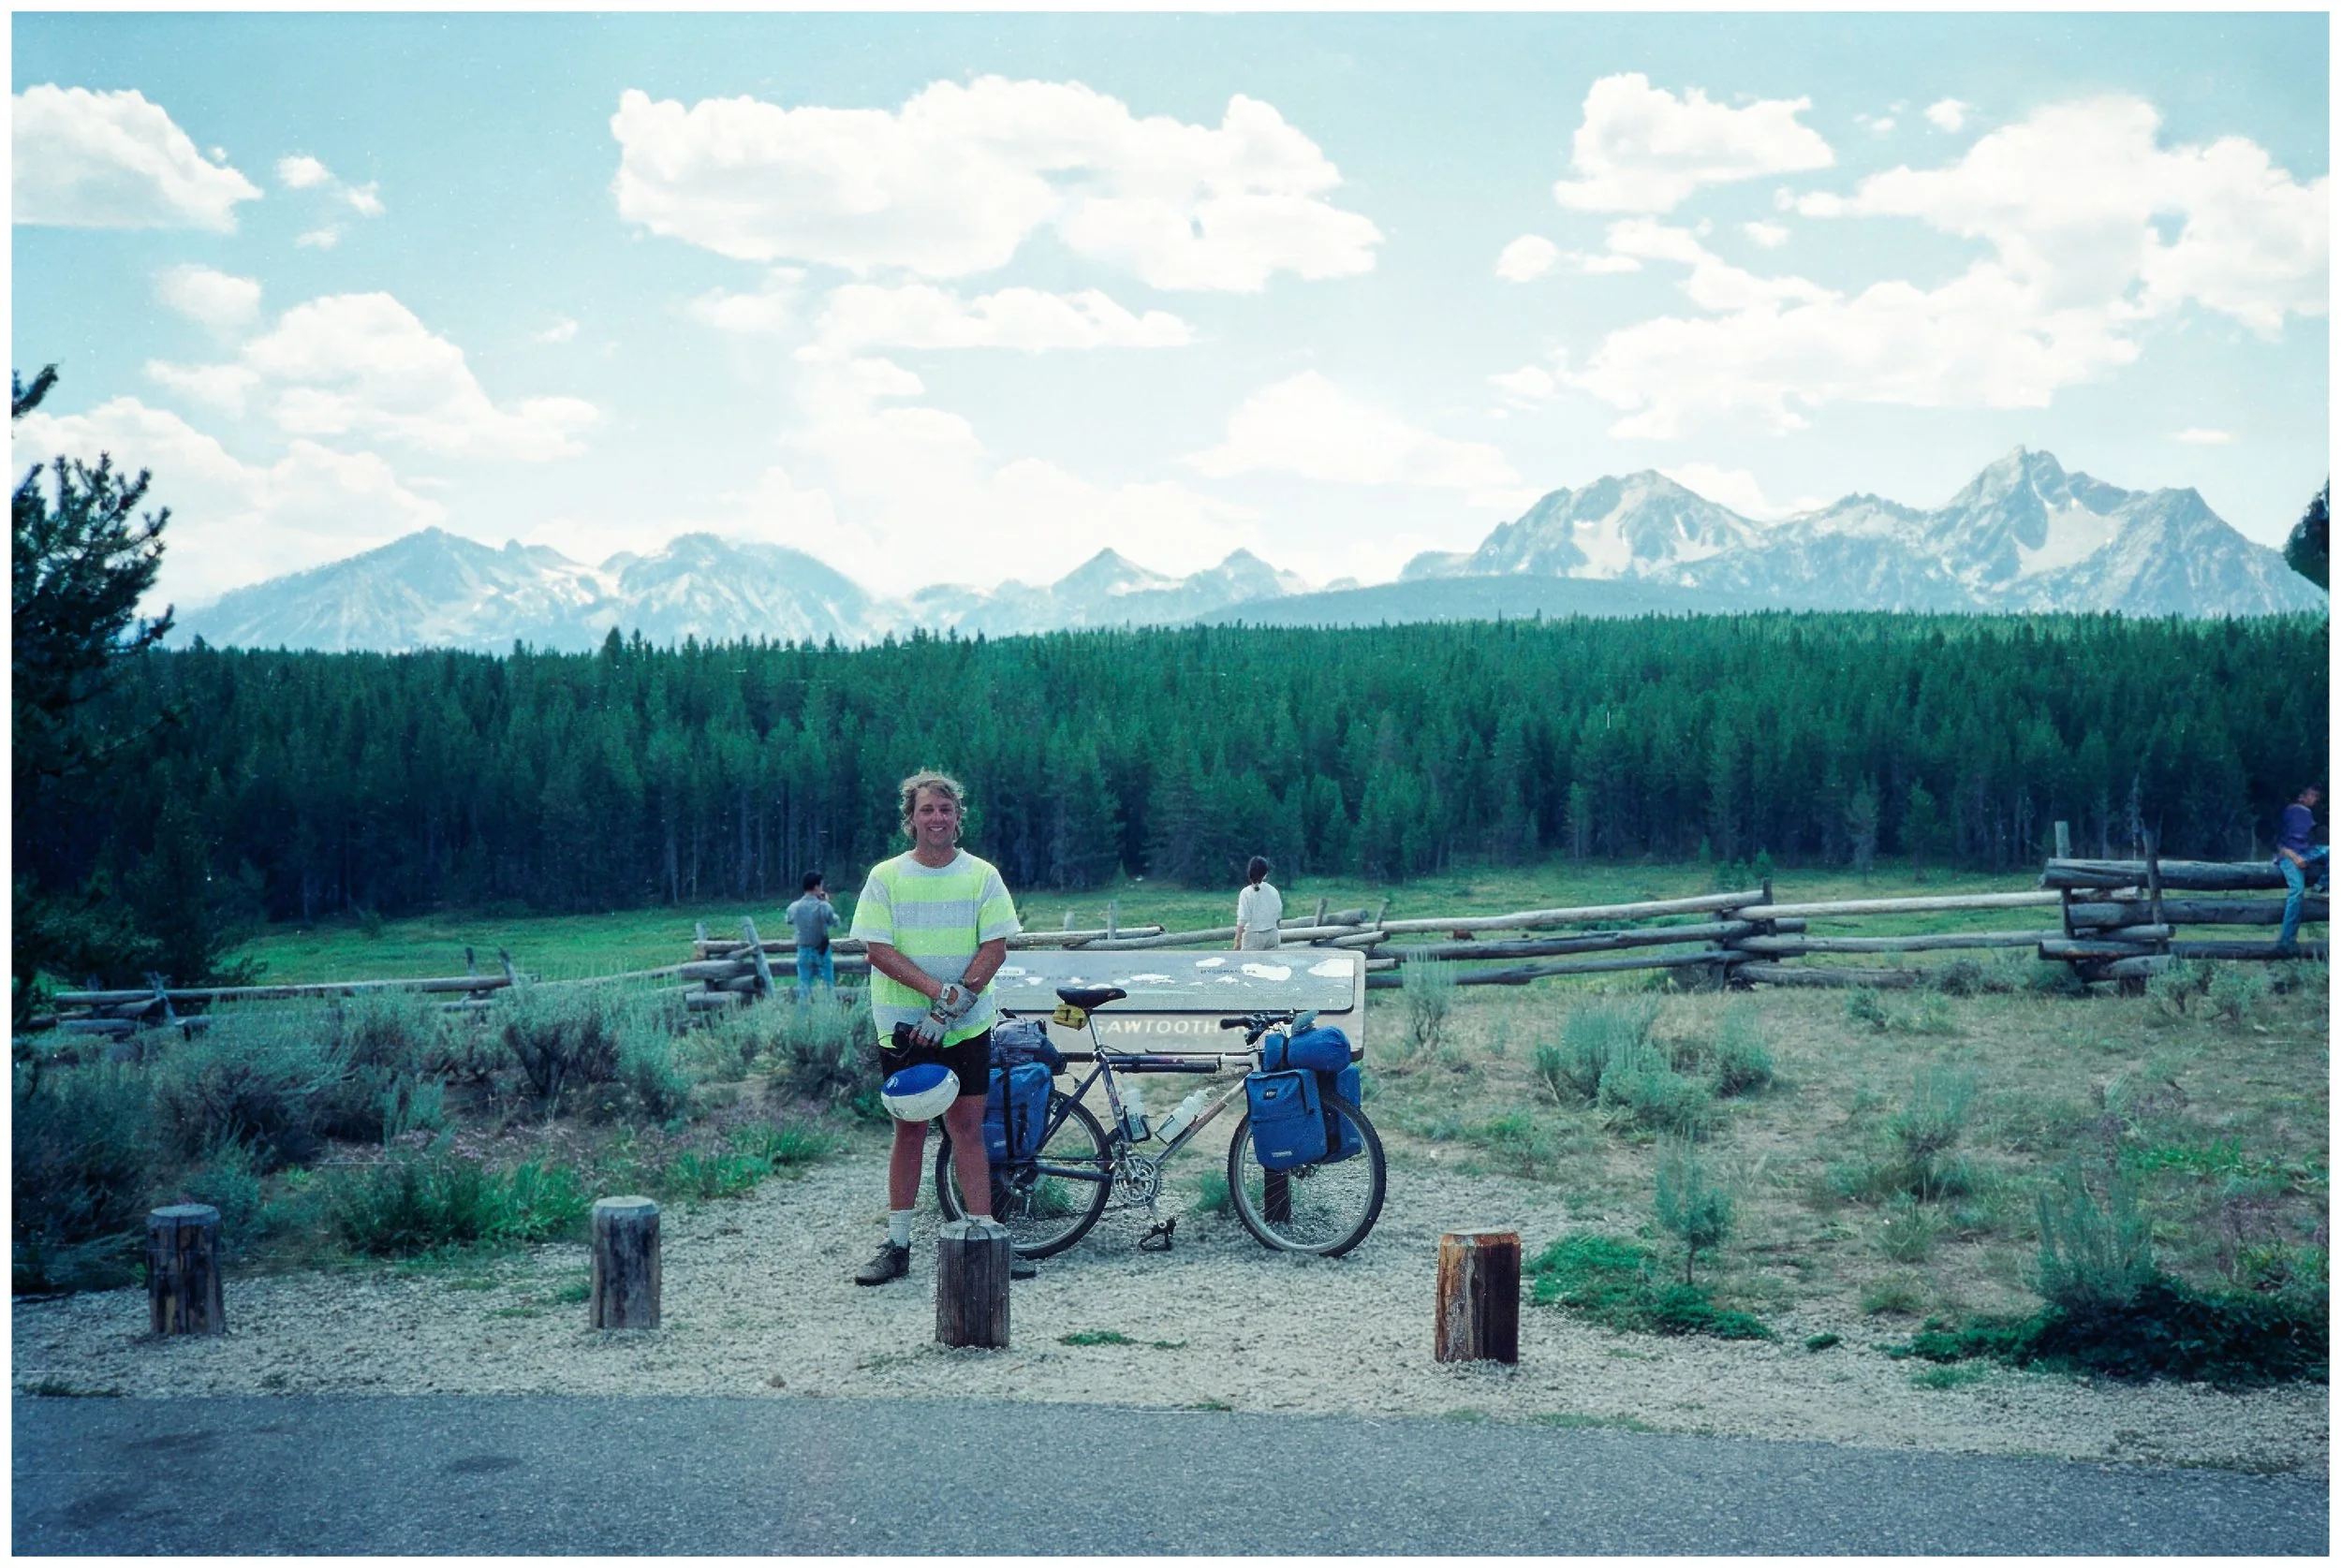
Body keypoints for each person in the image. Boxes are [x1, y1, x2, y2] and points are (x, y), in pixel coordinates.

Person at [847, 769, 1033, 1284]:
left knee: (967, 1130)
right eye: (926, 810)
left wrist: (949, 1010)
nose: (936, 819)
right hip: (903, 1027)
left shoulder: (982, 876)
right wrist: (934, 995)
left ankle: (986, 1237)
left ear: (958, 818)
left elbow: (994, 947)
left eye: (945, 810)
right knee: (908, 1130)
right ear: (911, 819)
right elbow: (877, 950)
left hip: (966, 1025)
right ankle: (898, 1244)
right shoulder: (885, 878)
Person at [2275, 784, 2328, 953]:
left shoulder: (2307, 813)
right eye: (2312, 795)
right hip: (2289, 855)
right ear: (2301, 797)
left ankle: (2320, 887)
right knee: (2297, 890)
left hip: (2305, 852)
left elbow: (2309, 840)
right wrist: (2296, 858)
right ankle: (2286, 941)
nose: (2315, 799)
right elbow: (2279, 844)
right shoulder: (2293, 812)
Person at [782, 872, 841, 1003]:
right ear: (816, 887)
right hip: (822, 951)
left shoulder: (794, 907)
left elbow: (788, 920)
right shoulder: (823, 906)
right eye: (821, 885)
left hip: (803, 951)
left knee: (804, 989)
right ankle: (828, 1016)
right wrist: (825, 902)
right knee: (827, 989)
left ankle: (804, 1019)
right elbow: (835, 922)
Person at [1232, 856, 1283, 951]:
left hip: (1253, 936)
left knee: (1250, 965)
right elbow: (1278, 914)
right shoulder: (1273, 891)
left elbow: (1243, 919)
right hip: (1272, 933)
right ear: (1266, 873)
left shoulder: (1246, 893)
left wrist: (1237, 939)